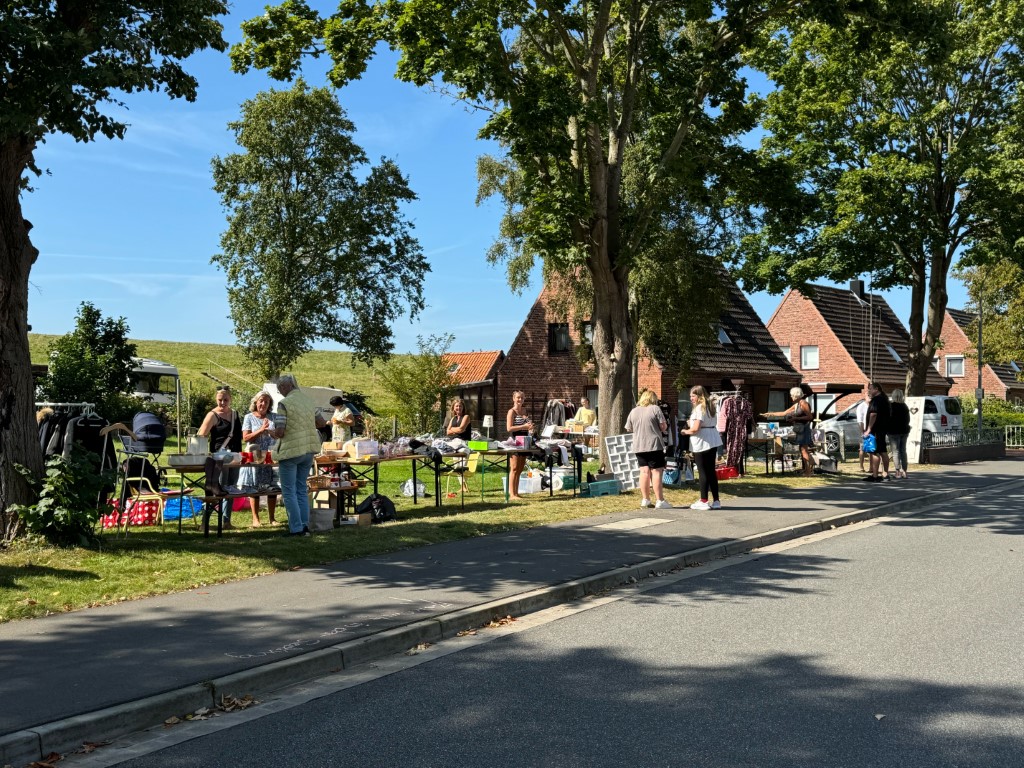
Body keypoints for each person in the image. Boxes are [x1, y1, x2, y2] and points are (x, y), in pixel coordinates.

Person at [271, 374, 327, 536]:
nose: (280, 392)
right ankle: (305, 525)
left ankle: (296, 528)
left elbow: (280, 431)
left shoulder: (284, 404)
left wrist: (273, 433)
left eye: (280, 388)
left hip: (290, 452)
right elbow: (322, 423)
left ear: (285, 387)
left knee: (289, 491)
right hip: (308, 450)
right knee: (302, 489)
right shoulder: (309, 401)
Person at [198, 386, 242, 529]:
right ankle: (205, 521)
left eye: (225, 400)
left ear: (230, 399)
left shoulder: (235, 414)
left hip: (235, 456)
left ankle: (226, 521)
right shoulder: (212, 415)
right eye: (220, 400)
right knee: (217, 490)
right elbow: (201, 435)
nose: (222, 403)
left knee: (231, 489)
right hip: (219, 457)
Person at [625, 390, 672, 509]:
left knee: (644, 471)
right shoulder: (655, 408)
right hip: (654, 444)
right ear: (653, 399)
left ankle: (645, 499)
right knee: (656, 471)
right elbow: (663, 426)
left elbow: (628, 428)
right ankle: (660, 500)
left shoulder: (634, 411)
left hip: (639, 445)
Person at [681, 386, 723, 510]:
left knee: (702, 471)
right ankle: (716, 500)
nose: (691, 399)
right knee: (711, 471)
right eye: (690, 396)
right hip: (712, 439)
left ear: (699, 396)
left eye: (693, 396)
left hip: (702, 441)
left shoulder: (699, 408)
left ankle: (703, 500)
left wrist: (685, 431)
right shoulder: (711, 407)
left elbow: (695, 429)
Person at [240, 391, 278, 526]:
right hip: (254, 455)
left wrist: (271, 432)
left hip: (270, 455)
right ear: (256, 402)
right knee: (254, 487)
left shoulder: (274, 417)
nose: (263, 404)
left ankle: (272, 518)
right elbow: (245, 438)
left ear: (269, 405)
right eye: (261, 401)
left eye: (267, 402)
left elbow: (280, 435)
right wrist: (261, 430)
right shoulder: (248, 417)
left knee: (272, 486)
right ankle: (256, 519)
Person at [764, 386, 815, 477]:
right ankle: (809, 469)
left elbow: (810, 417)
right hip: (799, 429)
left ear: (796, 395)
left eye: (792, 395)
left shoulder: (803, 403)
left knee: (804, 450)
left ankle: (808, 472)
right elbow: (784, 413)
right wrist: (771, 414)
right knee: (803, 450)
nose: (791, 397)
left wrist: (795, 418)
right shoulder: (796, 404)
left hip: (804, 428)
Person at [505, 390, 535, 500]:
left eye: (522, 398)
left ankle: (516, 493)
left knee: (520, 468)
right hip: (515, 441)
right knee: (514, 468)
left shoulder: (525, 410)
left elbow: (528, 425)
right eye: (518, 397)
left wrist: (530, 427)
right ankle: (511, 494)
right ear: (513, 399)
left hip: (525, 441)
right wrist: (524, 427)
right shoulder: (511, 412)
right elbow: (509, 428)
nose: (520, 400)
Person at [863, 381, 891, 482]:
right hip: (882, 429)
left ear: (876, 389)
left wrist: (869, 429)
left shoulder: (876, 400)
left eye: (870, 389)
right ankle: (885, 474)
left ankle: (875, 475)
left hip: (875, 430)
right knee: (883, 451)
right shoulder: (884, 400)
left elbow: (873, 414)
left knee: (875, 452)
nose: (869, 391)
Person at [445, 398, 472, 491]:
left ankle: (464, 486)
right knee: (456, 465)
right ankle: (463, 486)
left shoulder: (466, 417)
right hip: (454, 444)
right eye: (456, 406)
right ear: (453, 408)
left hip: (463, 443)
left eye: (460, 406)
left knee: (462, 465)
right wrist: (455, 430)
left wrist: (452, 429)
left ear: (463, 407)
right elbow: (447, 432)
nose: (458, 408)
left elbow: (462, 429)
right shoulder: (453, 418)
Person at [888, 388, 911, 479]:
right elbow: (908, 419)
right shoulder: (904, 406)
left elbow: (888, 419)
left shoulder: (891, 406)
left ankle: (897, 472)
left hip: (893, 431)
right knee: (903, 451)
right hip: (904, 430)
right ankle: (905, 471)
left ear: (893, 396)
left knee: (895, 451)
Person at [856, 394, 870, 471]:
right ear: (865, 397)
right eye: (868, 396)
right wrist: (862, 432)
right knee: (862, 449)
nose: (870, 398)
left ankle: (871, 467)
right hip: (864, 429)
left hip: (871, 430)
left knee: (872, 449)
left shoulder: (872, 405)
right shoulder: (861, 406)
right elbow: (860, 421)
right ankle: (861, 466)